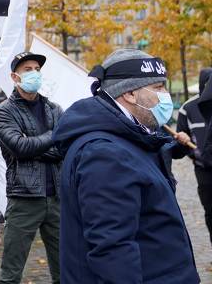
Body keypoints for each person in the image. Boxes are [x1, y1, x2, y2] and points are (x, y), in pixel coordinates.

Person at [53, 49, 199, 284]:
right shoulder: (105, 154)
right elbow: (112, 252)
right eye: (158, 88)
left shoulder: (132, 138)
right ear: (130, 93)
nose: (166, 96)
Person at [0, 52, 63, 284]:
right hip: (24, 198)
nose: (34, 73)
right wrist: (53, 136)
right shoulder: (3, 111)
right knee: (11, 274)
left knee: (65, 269)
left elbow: (66, 147)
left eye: (37, 69)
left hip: (57, 198)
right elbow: (19, 147)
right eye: (27, 69)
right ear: (15, 76)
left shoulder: (54, 108)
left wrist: (35, 144)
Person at [174, 67, 212, 247]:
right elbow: (179, 141)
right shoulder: (187, 108)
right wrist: (184, 142)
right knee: (211, 211)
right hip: (204, 170)